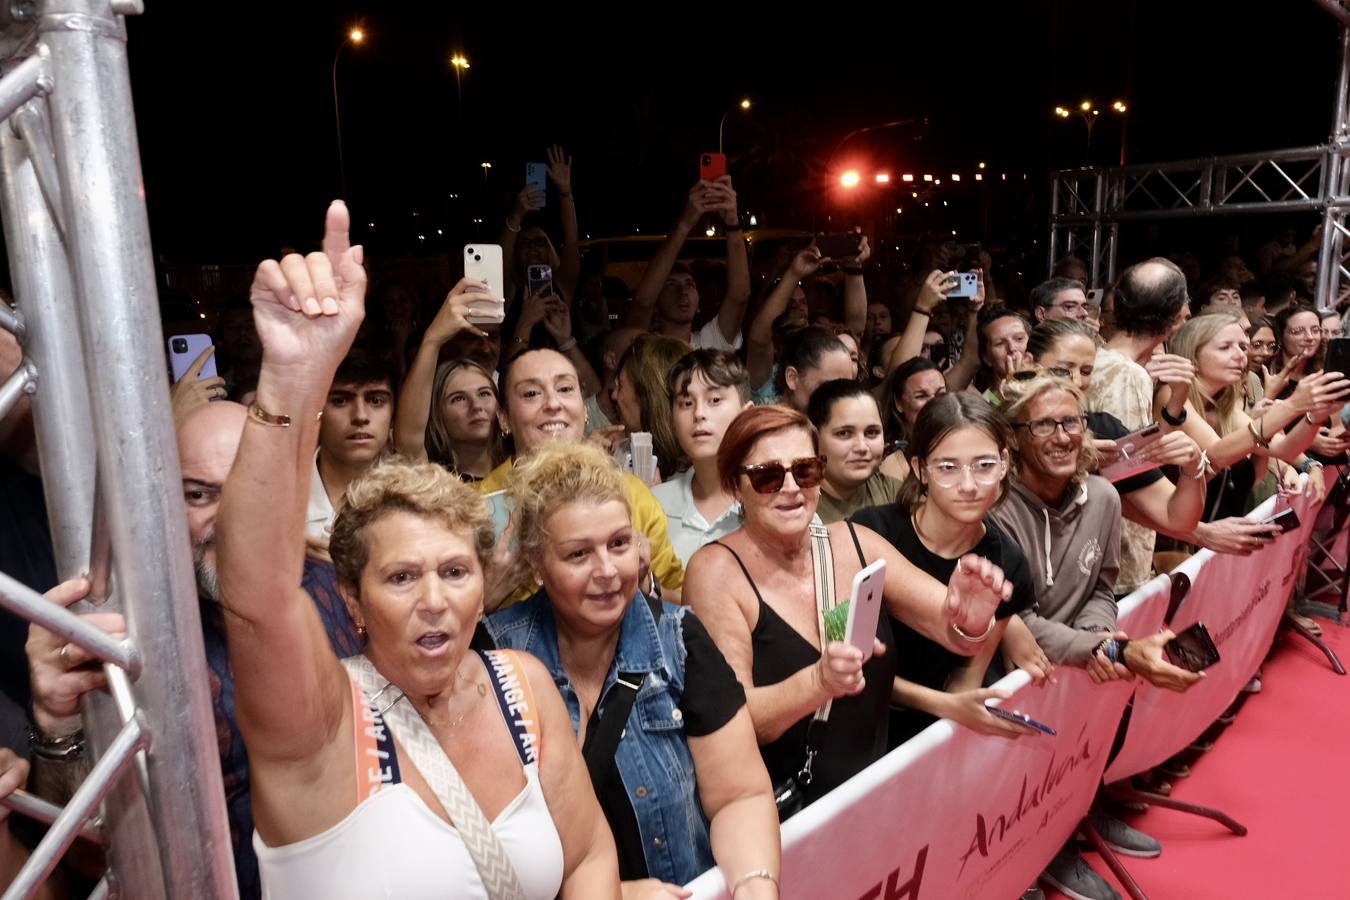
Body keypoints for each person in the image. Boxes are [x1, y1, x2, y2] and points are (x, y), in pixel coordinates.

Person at [218, 201, 620, 897]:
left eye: (456, 571)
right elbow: (256, 598)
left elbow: (587, 858)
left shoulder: (522, 688)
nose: (436, 600)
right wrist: (290, 382)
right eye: (402, 577)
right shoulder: (321, 727)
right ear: (353, 598)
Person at [485, 441, 780, 898]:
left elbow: (739, 796)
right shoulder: (495, 662)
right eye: (578, 554)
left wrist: (756, 884)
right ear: (537, 565)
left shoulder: (680, 641)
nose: (607, 570)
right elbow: (488, 853)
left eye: (618, 544)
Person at [685, 405, 1018, 809]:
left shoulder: (856, 543)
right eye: (768, 476)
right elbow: (736, 722)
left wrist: (974, 614)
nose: (791, 488)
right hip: (788, 815)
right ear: (736, 486)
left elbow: (957, 634)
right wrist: (819, 682)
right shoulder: (715, 572)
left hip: (877, 794)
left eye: (805, 470)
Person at [993, 374, 1200, 900]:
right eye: (1044, 425)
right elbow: (1015, 623)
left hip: (1078, 665)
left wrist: (1097, 634)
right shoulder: (992, 509)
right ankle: (1025, 865)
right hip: (1007, 678)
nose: (1063, 436)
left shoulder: (1104, 497)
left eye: (1072, 422)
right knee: (1011, 804)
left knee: (1076, 765)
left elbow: (1101, 587)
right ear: (1013, 437)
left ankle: (1075, 825)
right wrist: (1102, 648)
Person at [850, 393, 1039, 746]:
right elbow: (854, 667)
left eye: (983, 465)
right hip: (863, 719)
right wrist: (944, 705)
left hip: (939, 730)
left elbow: (965, 683)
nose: (968, 486)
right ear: (920, 469)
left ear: (1004, 463)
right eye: (948, 468)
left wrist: (953, 707)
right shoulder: (871, 532)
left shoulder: (1007, 563)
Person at [480, 348, 685, 606]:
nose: (553, 404)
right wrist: (488, 595)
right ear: (503, 418)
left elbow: (683, 602)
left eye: (565, 389)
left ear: (585, 408)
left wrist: (644, 582)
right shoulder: (479, 505)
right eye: (532, 393)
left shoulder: (632, 494)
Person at [1027, 319, 1207, 542]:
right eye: (1062, 370)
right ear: (1028, 363)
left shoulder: (1103, 430)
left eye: (1085, 371)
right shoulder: (996, 428)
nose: (1075, 381)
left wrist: (1193, 468)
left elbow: (1177, 517)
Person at [1160, 312, 1348, 519]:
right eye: (1225, 347)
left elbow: (1284, 448)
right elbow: (1216, 455)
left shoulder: (1224, 405)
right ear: (1192, 355)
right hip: (1173, 536)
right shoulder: (1172, 393)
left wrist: (1315, 416)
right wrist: (1291, 406)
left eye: (1242, 347)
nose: (1240, 355)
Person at [1086, 258, 1195, 597]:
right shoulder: (1127, 373)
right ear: (1177, 317)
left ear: (1117, 304)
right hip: (1116, 554)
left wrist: (1175, 401)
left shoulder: (1101, 359)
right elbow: (1128, 470)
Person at [394, 278, 507, 479]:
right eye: (458, 398)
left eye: (484, 393)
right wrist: (432, 340)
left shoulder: (524, 465)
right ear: (438, 417)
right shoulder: (433, 483)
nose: (476, 406)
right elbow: (407, 441)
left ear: (502, 411)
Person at [623, 177, 750, 351]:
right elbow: (642, 302)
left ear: (699, 304)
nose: (682, 292)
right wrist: (684, 224)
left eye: (690, 284)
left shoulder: (711, 344)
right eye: (670, 285)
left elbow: (739, 296)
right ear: (657, 300)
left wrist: (732, 223)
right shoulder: (644, 347)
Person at [652, 350, 754, 566]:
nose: (699, 413)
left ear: (746, 415)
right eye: (686, 403)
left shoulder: (777, 497)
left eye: (714, 400)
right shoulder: (653, 505)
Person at [305, 347, 395, 541]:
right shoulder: (281, 497)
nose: (360, 416)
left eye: (376, 400)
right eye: (340, 401)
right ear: (316, 411)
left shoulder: (417, 497)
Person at [806, 379, 901, 524]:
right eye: (844, 433)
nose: (861, 447)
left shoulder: (896, 494)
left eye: (872, 432)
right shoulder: (797, 503)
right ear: (814, 438)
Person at [610, 333, 693, 481]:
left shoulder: (695, 479)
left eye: (620, 386)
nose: (614, 396)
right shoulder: (620, 453)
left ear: (648, 399)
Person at [876, 357, 947, 481]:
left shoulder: (961, 442)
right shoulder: (891, 459)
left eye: (940, 394)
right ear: (898, 403)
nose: (934, 402)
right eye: (921, 396)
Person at [771, 326, 856, 411]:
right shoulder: (766, 423)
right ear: (792, 378)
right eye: (826, 389)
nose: (837, 400)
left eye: (845, 390)